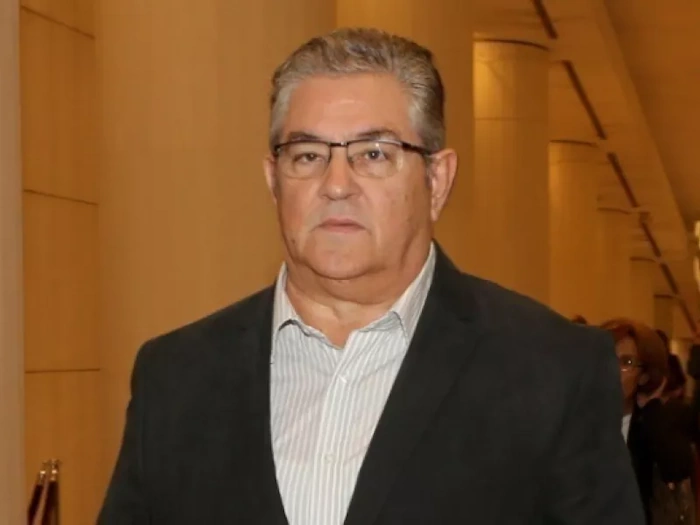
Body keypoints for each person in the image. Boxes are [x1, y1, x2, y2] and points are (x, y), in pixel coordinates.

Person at [98, 28, 643, 524]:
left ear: (437, 180)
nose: (336, 184)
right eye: (307, 155)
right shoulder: (176, 379)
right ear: (273, 180)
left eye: (375, 154)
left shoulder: (552, 372)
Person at [603, 318, 694, 524]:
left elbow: (678, 469)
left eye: (626, 363)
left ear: (643, 376)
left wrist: (652, 409)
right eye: (607, 358)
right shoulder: (578, 420)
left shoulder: (650, 423)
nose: (613, 371)